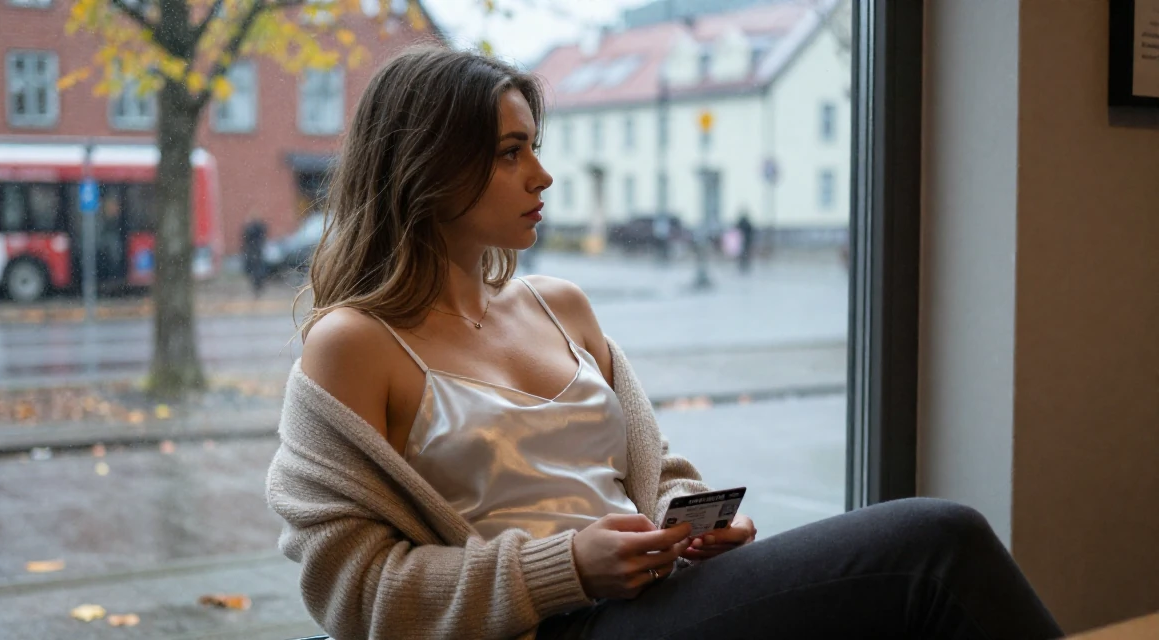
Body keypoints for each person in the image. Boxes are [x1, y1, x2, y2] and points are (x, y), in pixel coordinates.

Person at [265, 46, 1063, 640]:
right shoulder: (355, 345)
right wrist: (565, 570)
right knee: (934, 545)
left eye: (535, 146)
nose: (542, 175)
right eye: (510, 152)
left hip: (655, 602)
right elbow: (351, 593)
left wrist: (693, 525)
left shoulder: (561, 306)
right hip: (552, 628)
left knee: (920, 578)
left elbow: (655, 472)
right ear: (426, 166)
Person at [241, 218, 267, 298]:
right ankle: (257, 286)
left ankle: (257, 286)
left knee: (255, 271)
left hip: (254, 252)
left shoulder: (251, 230)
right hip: (255, 252)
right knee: (257, 270)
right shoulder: (257, 230)